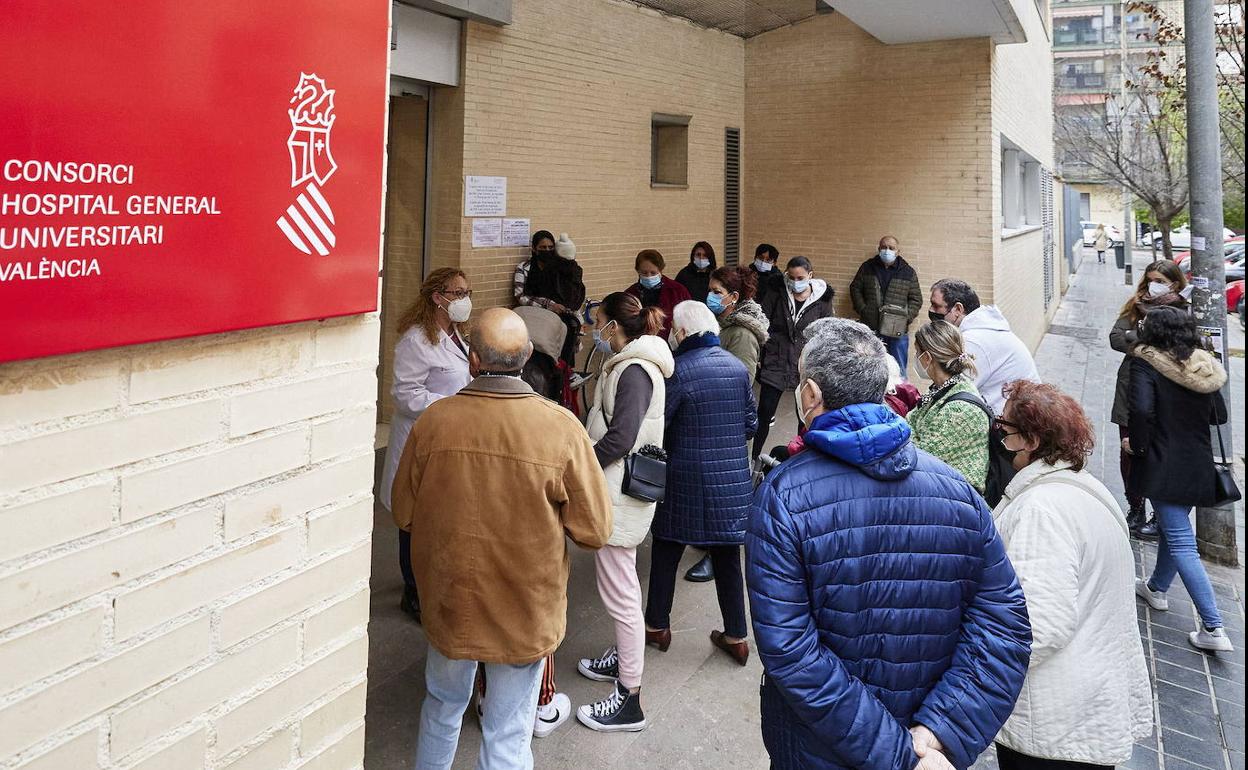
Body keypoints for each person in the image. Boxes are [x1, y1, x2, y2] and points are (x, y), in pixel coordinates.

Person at [745, 318, 1031, 770]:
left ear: (810, 394)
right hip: (924, 748)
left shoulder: (783, 497)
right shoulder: (957, 491)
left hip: (819, 748)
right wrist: (937, 733)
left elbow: (792, 650)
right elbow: (1004, 625)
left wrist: (898, 754)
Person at [392, 308, 613, 770]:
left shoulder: (434, 421)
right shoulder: (560, 428)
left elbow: (404, 512)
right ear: (528, 355)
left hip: (450, 600)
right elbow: (594, 530)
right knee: (508, 730)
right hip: (524, 606)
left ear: (472, 360)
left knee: (441, 706)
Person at [991, 381, 1153, 770]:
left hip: (1053, 723)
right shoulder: (1088, 490)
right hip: (1086, 707)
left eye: (1005, 429)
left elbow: (1038, 626)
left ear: (1031, 440)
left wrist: (975, 680)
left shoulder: (1042, 509)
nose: (1000, 439)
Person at [578, 293, 673, 733]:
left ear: (613, 326)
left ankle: (629, 699)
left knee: (620, 592)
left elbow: (620, 439)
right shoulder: (628, 364)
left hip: (619, 492)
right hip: (617, 489)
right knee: (623, 586)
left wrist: (580, 465)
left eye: (597, 321)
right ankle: (623, 658)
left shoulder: (634, 370)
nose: (593, 329)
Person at [645, 301, 758, 664]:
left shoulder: (678, 371)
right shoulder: (737, 368)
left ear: (681, 333)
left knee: (666, 548)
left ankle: (657, 626)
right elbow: (751, 425)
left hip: (684, 478)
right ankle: (737, 636)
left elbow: (659, 425)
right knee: (727, 555)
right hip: (731, 480)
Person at [1129, 306, 1234, 653]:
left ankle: (1213, 626)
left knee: (1181, 542)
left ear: (1154, 332)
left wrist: (1137, 446)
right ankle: (1156, 588)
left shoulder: (1146, 362)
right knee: (1173, 531)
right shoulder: (1201, 365)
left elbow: (1141, 410)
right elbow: (1220, 415)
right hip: (1197, 462)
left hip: (1163, 461)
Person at [380, 268, 473, 624]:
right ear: (438, 297)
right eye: (458, 293)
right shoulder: (416, 340)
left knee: (434, 515)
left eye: (467, 292)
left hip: (448, 437)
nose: (465, 300)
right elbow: (405, 396)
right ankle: (413, 591)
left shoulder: (457, 335)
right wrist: (452, 404)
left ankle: (429, 581)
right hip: (419, 438)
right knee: (412, 517)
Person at [681, 265, 770, 584]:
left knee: (724, 492)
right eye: (710, 290)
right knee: (709, 487)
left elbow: (739, 381)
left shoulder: (742, 333)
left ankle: (720, 553)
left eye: (717, 292)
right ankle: (710, 541)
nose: (710, 296)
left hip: (727, 421)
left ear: (733, 296)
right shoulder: (720, 323)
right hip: (710, 417)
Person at [1109, 260, 1189, 540]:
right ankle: (1135, 507)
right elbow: (1115, 338)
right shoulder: (1136, 305)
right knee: (1128, 452)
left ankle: (1159, 514)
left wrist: (1137, 340)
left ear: (1174, 284)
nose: (1153, 286)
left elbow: (1180, 347)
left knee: (1158, 454)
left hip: (1166, 394)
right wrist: (1148, 340)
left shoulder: (1183, 309)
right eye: (1150, 279)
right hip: (1130, 389)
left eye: (1160, 281)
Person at [754, 255, 834, 459]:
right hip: (776, 359)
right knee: (764, 413)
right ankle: (753, 458)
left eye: (800, 278)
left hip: (804, 364)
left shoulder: (822, 300)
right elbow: (762, 322)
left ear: (810, 275)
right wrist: (763, 351)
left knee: (804, 417)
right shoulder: (777, 292)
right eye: (791, 277)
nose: (795, 282)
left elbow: (826, 333)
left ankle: (800, 460)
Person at [929, 278, 1039, 414]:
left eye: (936, 306)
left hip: (1016, 418)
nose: (931, 310)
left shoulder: (974, 341)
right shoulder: (983, 330)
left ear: (958, 309)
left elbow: (952, 391)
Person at [907, 320, 991, 493]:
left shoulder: (960, 410)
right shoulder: (942, 388)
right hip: (940, 487)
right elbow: (910, 422)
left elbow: (918, 456)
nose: (915, 358)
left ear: (927, 357)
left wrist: (908, 429)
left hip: (956, 497)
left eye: (917, 353)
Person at [849, 235, 923, 371]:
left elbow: (916, 299)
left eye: (891, 248)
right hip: (871, 328)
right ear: (879, 249)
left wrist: (905, 318)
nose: (887, 250)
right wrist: (863, 310)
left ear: (898, 251)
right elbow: (855, 288)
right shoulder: (867, 267)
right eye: (884, 247)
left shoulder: (907, 272)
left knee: (898, 369)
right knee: (869, 368)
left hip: (897, 330)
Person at [513, 230, 586, 367]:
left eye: (550, 247)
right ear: (534, 249)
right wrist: (548, 304)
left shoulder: (560, 268)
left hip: (559, 317)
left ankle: (566, 370)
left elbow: (571, 293)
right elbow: (520, 296)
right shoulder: (524, 268)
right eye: (543, 247)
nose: (547, 251)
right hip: (534, 316)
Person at [625, 249, 690, 338]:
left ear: (660, 270)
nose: (649, 276)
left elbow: (689, 320)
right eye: (644, 273)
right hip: (640, 343)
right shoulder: (630, 295)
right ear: (638, 271)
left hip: (672, 343)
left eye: (653, 273)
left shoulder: (678, 291)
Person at [748, 243, 785, 307]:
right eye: (761, 258)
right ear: (755, 257)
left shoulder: (778, 279)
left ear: (774, 263)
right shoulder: (747, 273)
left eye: (768, 260)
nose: (763, 261)